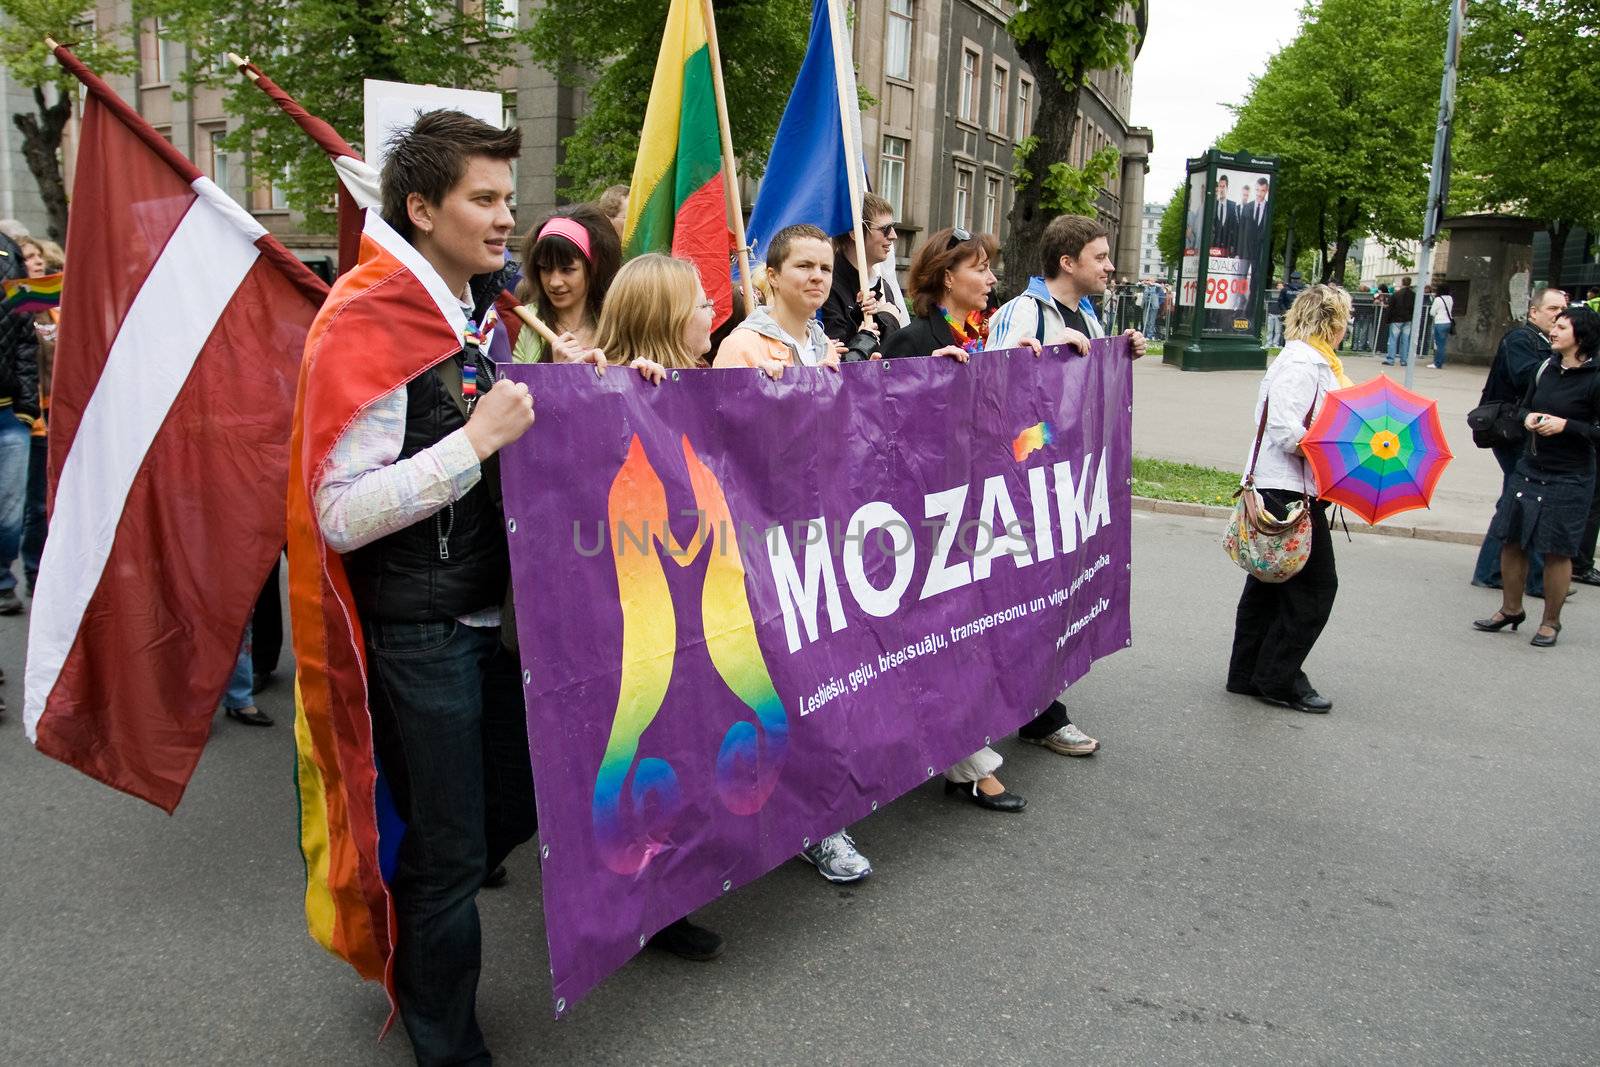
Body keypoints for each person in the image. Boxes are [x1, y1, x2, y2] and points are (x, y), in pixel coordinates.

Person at [301, 111, 689, 1066]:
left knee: (515, 803)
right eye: (485, 199)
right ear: (423, 208)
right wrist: (474, 443)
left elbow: (524, 440)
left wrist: (599, 391)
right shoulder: (366, 315)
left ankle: (426, 924)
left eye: (508, 199)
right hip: (422, 628)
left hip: (502, 622)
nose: (504, 218)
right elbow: (338, 512)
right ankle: (446, 1038)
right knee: (448, 850)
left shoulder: (469, 316)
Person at [876, 228, 1026, 810]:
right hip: (923, 517)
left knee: (965, 633)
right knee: (944, 636)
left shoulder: (984, 339)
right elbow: (880, 430)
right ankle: (972, 765)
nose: (991, 280)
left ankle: (962, 756)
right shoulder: (913, 339)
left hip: (972, 506)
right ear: (947, 277)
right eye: (980, 269)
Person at [988, 214, 1146, 758]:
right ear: (1068, 262)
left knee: (1058, 597)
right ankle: (1033, 713)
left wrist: (1119, 356)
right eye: (1100, 257)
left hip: (1069, 488)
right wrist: (1038, 360)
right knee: (1025, 602)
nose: (1109, 266)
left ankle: (1037, 706)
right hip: (1026, 489)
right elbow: (992, 398)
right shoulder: (1023, 314)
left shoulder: (1091, 318)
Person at [1227, 284, 1355, 714]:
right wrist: (1338, 449)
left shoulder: (1313, 360)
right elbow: (1285, 430)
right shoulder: (1303, 362)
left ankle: (1246, 672)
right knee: (1316, 589)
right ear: (1332, 320)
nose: (1349, 326)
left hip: (1287, 486)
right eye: (1347, 317)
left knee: (1269, 584)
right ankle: (1278, 678)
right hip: (1286, 490)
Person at [1473, 306, 1600, 647]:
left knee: (1557, 550)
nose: (1554, 331)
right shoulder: (1546, 367)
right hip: (1530, 467)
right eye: (1554, 324)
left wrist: (1567, 426)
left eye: (1562, 326)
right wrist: (1528, 418)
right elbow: (1526, 405)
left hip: (1571, 475)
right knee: (1511, 539)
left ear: (1582, 336)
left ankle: (1550, 622)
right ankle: (1511, 610)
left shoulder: (1596, 377)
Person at [1472, 287, 1569, 594]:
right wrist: (1566, 363)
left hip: (1523, 430)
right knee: (1526, 498)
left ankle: (1494, 571)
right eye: (1552, 308)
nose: (1558, 315)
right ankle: (1532, 578)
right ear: (1534, 313)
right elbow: (1525, 376)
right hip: (1511, 430)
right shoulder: (1521, 340)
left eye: (1563, 309)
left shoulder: (1546, 344)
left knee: (1515, 499)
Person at [715, 224, 844, 376]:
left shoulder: (826, 347)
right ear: (773, 276)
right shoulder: (741, 346)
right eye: (804, 266)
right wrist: (759, 388)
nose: (818, 277)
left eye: (825, 269)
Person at [511, 205, 621, 363]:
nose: (555, 282)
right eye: (545, 269)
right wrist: (559, 375)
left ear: (594, 267)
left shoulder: (617, 324)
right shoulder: (520, 324)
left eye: (567, 270)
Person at [0, 227, 39, 617]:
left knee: (11, 513)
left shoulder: (6, 254)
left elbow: (25, 338)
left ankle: (2, 576)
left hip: (7, 410)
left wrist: (27, 406)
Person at [819, 191, 906, 361]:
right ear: (854, 232)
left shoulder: (883, 284)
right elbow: (842, 356)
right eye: (885, 229)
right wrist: (887, 319)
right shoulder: (828, 282)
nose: (893, 235)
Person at [15, 237, 56, 598]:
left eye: (38, 256)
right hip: (35, 417)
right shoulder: (16, 306)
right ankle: (34, 569)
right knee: (36, 502)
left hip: (63, 415)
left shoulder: (54, 305)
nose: (36, 262)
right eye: (28, 257)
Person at [1382, 277, 1416, 366]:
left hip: (1396, 319)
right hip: (1408, 319)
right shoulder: (1413, 295)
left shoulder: (1396, 294)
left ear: (1402, 283)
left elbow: (1391, 307)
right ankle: (1404, 360)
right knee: (1405, 340)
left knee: (1393, 339)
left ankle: (1391, 359)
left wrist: (1387, 319)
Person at [1426, 284, 1454, 369]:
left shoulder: (1438, 299)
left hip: (1440, 322)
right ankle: (1439, 362)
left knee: (1439, 344)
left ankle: (1437, 363)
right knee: (1443, 343)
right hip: (1448, 322)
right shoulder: (1450, 298)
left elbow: (1432, 312)